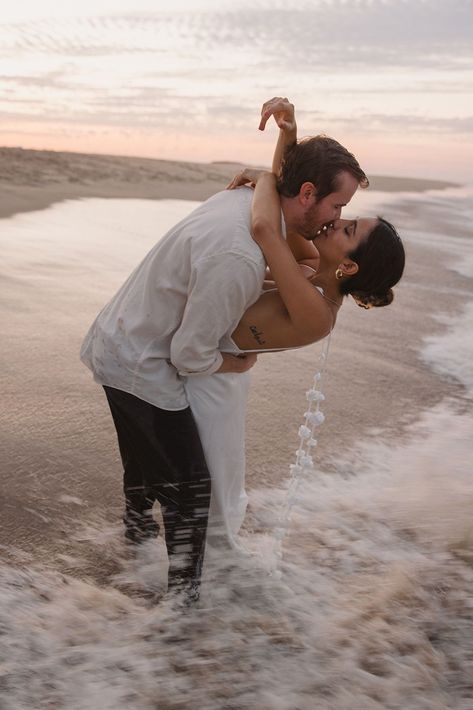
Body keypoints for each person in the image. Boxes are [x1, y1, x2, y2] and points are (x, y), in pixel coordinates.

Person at [80, 97, 368, 601]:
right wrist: (236, 362)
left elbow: (274, 210)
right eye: (337, 208)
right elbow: (189, 355)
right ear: (306, 194)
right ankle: (181, 609)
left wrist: (273, 159)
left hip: (119, 338)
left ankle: (133, 548)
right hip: (140, 363)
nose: (335, 218)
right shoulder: (241, 252)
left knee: (147, 467)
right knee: (191, 489)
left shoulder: (248, 204)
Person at [184, 135, 405, 553]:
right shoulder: (308, 267)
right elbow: (294, 201)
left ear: (349, 265)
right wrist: (289, 133)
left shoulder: (318, 313)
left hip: (208, 382)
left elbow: (267, 228)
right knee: (196, 499)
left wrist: (265, 179)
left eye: (348, 227)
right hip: (204, 365)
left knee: (206, 508)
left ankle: (194, 601)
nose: (336, 221)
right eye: (343, 214)